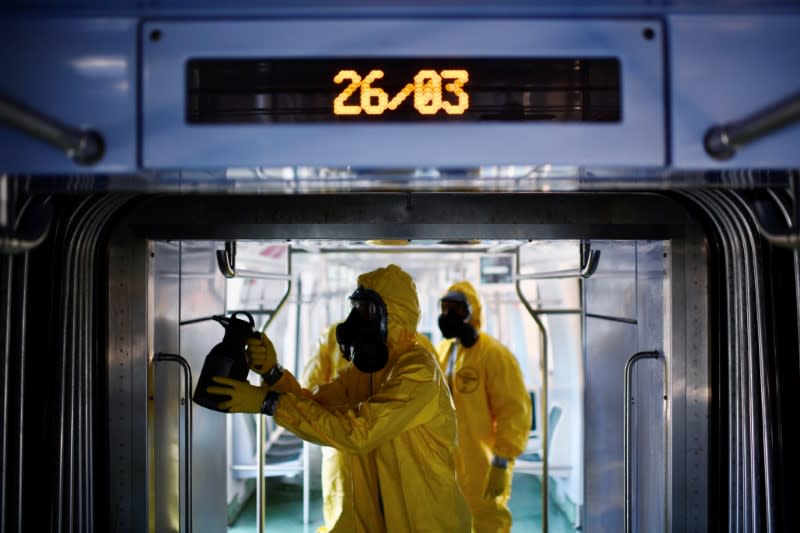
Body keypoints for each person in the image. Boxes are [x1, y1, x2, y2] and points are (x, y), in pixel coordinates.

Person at [207, 264, 472, 533]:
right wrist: (274, 374)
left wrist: (268, 402)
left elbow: (359, 432)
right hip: (372, 519)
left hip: (426, 522)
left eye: (367, 311)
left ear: (395, 317)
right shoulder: (361, 372)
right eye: (355, 308)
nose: (356, 320)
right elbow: (316, 405)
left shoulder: (419, 371)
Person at [301, 322, 439, 533]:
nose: (359, 314)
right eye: (356, 304)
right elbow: (310, 394)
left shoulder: (419, 354)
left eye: (367, 307)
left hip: (400, 454)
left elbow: (434, 410)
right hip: (344, 453)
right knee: (347, 518)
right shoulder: (332, 339)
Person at [435, 280, 532, 533]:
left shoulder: (494, 354)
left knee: (486, 518)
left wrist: (501, 460)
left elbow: (514, 411)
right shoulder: (445, 349)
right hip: (449, 456)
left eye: (456, 309)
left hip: (484, 460)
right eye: (444, 308)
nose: (448, 315)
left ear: (471, 312)